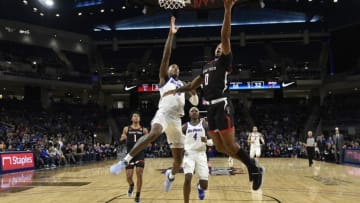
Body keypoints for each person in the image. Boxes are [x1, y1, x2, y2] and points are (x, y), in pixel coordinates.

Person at [163, 0, 264, 191]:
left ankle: (254, 168)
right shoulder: (207, 66)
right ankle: (253, 165)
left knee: (230, 145)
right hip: (210, 108)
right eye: (217, 47)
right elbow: (193, 84)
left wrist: (227, 10)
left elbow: (225, 36)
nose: (220, 47)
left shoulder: (225, 61)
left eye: (222, 47)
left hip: (222, 104)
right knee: (220, 147)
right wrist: (176, 90)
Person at [110, 16, 199, 193]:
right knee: (154, 132)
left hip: (176, 119)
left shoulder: (183, 85)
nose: (173, 68)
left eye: (176, 67)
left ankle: (171, 176)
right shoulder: (163, 80)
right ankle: (124, 161)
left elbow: (195, 102)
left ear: (179, 72)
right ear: (167, 71)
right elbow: (166, 55)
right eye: (171, 67)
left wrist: (194, 92)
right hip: (163, 114)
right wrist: (170, 35)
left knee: (178, 162)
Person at [182, 107, 213, 202]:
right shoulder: (185, 127)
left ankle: (200, 187)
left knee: (205, 185)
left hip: (201, 154)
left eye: (196, 111)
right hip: (189, 154)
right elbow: (180, 141)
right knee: (188, 178)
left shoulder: (204, 124)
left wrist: (206, 141)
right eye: (192, 111)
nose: (194, 112)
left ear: (199, 114)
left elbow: (212, 141)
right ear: (189, 114)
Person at [119, 112, 149, 203]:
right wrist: (122, 138)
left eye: (137, 116)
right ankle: (131, 185)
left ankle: (137, 195)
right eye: (134, 116)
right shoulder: (126, 128)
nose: (136, 117)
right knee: (128, 176)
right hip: (129, 155)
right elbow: (121, 140)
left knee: (139, 173)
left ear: (139, 119)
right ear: (132, 119)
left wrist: (148, 143)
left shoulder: (144, 130)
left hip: (140, 154)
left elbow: (148, 141)